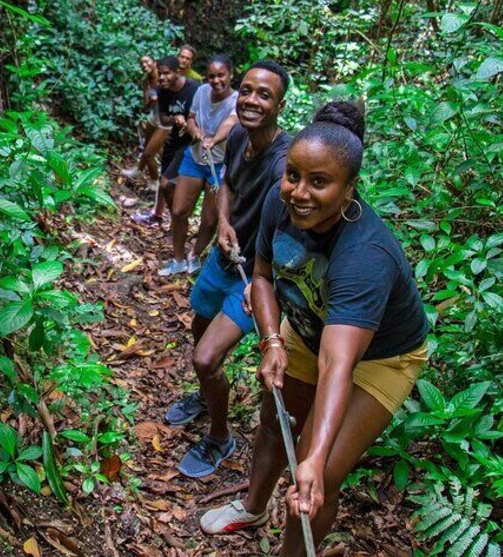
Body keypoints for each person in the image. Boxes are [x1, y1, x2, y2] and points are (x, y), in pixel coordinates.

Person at [199, 102, 430, 554]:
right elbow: (262, 276)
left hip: (379, 358)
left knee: (317, 472)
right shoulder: (279, 202)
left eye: (319, 182)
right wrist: (271, 341)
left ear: (349, 190)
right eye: (293, 176)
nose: (299, 192)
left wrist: (314, 458)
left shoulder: (366, 255)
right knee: (274, 421)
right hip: (306, 328)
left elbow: (337, 364)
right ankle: (252, 507)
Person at [164, 60, 293, 479]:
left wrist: (265, 285)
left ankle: (220, 437)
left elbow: (292, 233)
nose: (253, 100)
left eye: (265, 94)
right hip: (224, 258)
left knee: (205, 358)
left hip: (255, 277)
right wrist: (223, 221)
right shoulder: (238, 135)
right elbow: (230, 187)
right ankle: (207, 398)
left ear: (279, 104)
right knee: (199, 326)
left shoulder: (284, 163)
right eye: (248, 90)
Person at [158, 54, 238, 277]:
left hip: (219, 164)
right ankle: (178, 259)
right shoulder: (202, 92)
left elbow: (231, 123)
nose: (216, 80)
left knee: (210, 219)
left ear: (230, 75)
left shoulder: (236, 100)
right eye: (211, 76)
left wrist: (215, 140)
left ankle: (195, 255)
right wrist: (196, 132)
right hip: (195, 157)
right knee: (179, 210)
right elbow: (191, 117)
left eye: (221, 75)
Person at [132, 56, 198, 227]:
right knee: (164, 180)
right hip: (173, 140)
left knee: (167, 183)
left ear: (177, 72)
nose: (161, 78)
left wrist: (189, 122)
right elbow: (163, 118)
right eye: (160, 73)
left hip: (189, 144)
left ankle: (178, 224)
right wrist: (175, 119)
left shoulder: (193, 89)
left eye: (166, 74)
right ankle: (158, 215)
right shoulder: (162, 90)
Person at [123, 55, 167, 184]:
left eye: (147, 62)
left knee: (149, 153)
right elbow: (145, 105)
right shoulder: (145, 80)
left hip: (165, 121)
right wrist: (152, 101)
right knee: (148, 149)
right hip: (153, 117)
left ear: (154, 62)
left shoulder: (163, 77)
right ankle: (141, 172)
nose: (144, 65)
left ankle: (156, 182)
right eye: (142, 63)